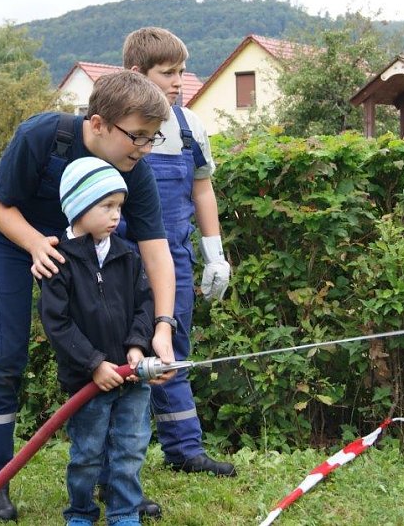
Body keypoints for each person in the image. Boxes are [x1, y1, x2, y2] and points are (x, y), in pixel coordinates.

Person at [0, 70, 177, 522]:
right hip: (12, 238)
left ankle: (116, 483)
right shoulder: (42, 136)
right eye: (136, 137)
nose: (143, 149)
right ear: (99, 124)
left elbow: (156, 254)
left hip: (84, 250)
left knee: (111, 349)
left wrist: (163, 327)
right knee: (2, 358)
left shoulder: (133, 173)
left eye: (151, 139)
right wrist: (35, 242)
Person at [122, 27, 235, 477]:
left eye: (182, 72)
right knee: (126, 354)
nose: (178, 82)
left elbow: (202, 191)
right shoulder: (119, 128)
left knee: (175, 351)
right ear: (137, 74)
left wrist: (215, 254)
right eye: (167, 73)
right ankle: (119, 461)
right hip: (124, 263)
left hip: (177, 262)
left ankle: (184, 451)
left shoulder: (190, 125)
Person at [38, 158, 154, 526]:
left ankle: (123, 511)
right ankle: (81, 511)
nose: (115, 215)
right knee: (87, 452)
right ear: (77, 206)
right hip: (87, 380)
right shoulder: (58, 262)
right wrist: (94, 364)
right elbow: (57, 323)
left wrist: (137, 345)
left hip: (133, 378)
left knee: (130, 448)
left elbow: (145, 303)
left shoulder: (127, 255)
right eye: (106, 206)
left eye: (118, 207)